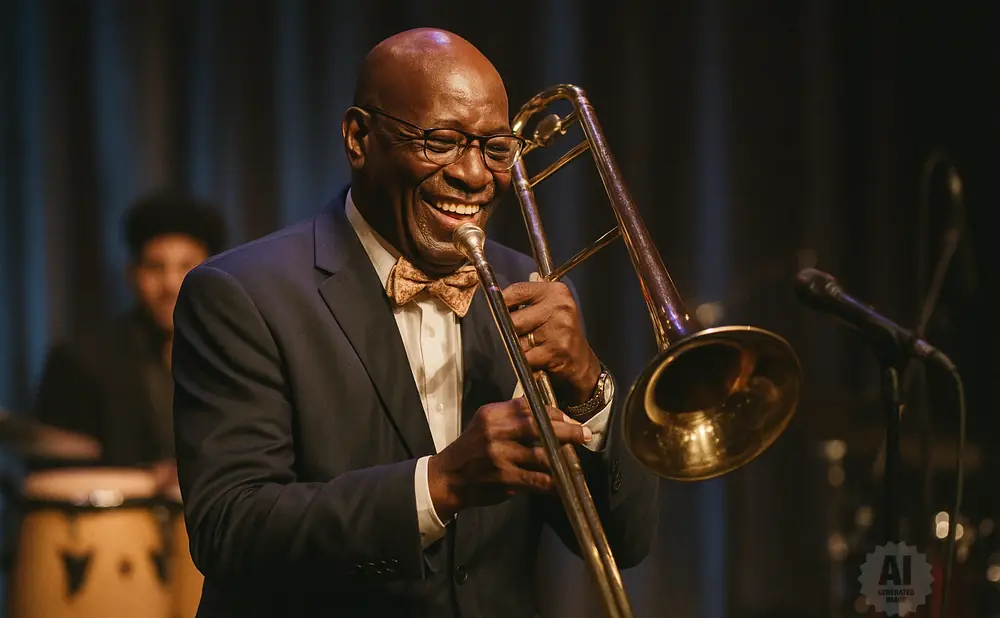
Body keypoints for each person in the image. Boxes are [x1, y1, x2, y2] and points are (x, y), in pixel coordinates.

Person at [172, 28, 658, 618]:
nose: (475, 175)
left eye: (496, 149)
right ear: (359, 138)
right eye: (443, 141)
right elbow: (231, 529)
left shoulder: (530, 284)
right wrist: (439, 484)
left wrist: (588, 384)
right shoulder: (241, 293)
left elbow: (625, 542)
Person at [32, 190, 226, 488]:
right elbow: (53, 475)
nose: (171, 284)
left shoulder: (236, 355)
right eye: (155, 267)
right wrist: (147, 478)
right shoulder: (79, 362)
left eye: (187, 266)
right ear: (131, 275)